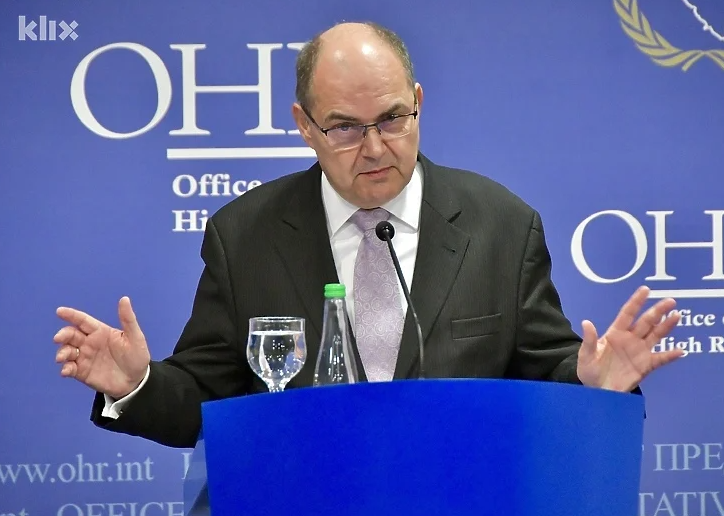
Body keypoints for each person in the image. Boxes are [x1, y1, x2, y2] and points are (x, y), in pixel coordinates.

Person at [53, 21, 683, 448]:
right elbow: (206, 402)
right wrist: (137, 385)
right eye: (346, 128)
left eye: (392, 118)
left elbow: (546, 377)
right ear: (304, 126)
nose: (376, 147)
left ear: (418, 101)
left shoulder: (501, 226)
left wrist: (598, 387)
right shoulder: (244, 236)